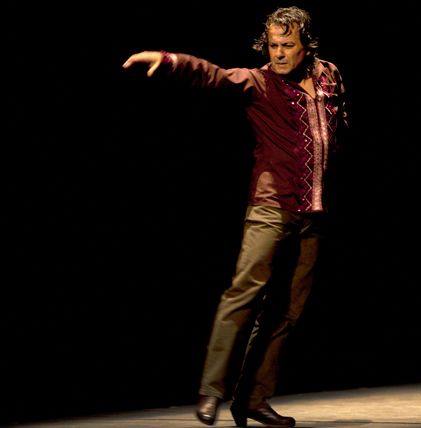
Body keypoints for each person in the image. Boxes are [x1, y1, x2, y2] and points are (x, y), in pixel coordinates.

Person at [122, 5, 349, 428]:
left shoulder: (329, 76)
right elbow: (213, 75)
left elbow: (338, 130)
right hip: (271, 206)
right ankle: (211, 390)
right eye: (273, 45)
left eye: (287, 45)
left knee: (287, 312)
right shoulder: (259, 82)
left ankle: (252, 399)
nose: (278, 53)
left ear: (307, 46)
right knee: (244, 293)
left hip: (314, 213)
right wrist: (169, 61)